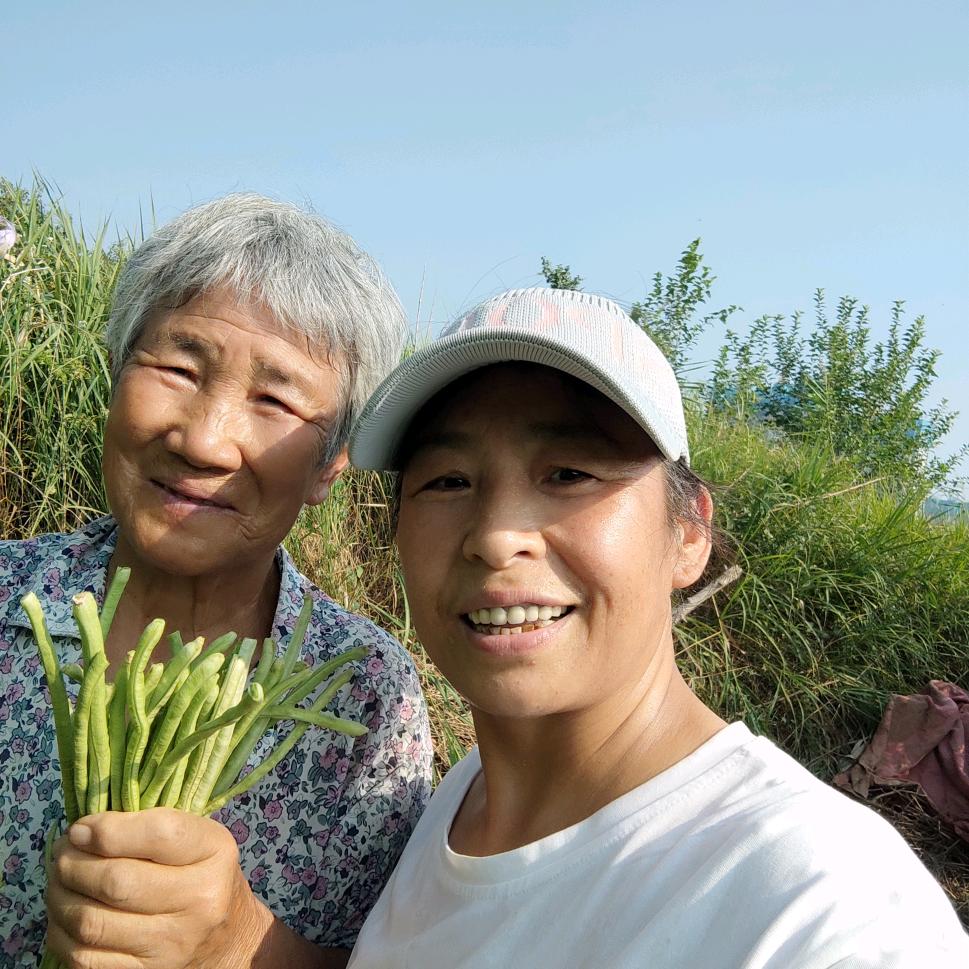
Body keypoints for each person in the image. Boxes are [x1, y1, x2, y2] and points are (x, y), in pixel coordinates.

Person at [345, 286, 969, 968]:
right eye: (447, 481)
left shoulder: (821, 904)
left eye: (569, 473)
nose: (495, 537)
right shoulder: (456, 805)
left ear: (689, 532)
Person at [0, 194, 433, 968]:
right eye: (178, 367)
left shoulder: (366, 697)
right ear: (115, 373)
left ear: (330, 466)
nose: (203, 440)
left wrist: (234, 941)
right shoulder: (11, 599)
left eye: (274, 399)